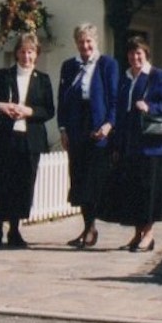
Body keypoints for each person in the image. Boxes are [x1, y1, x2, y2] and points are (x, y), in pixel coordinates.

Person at [106, 37, 162, 252]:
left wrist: (149, 107)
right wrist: (117, 145)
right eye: (131, 54)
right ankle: (137, 234)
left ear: (146, 54)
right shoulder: (126, 78)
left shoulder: (158, 76)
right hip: (130, 144)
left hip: (152, 146)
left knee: (149, 193)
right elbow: (120, 111)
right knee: (133, 191)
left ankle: (148, 235)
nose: (135, 57)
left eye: (139, 53)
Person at [0, 33, 55, 248]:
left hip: (29, 140)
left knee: (23, 185)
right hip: (5, 138)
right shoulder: (2, 76)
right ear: (16, 53)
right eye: (23, 51)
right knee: (2, 184)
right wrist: (1, 106)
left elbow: (49, 110)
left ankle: (15, 230)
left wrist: (29, 111)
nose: (26, 56)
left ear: (37, 55)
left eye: (30, 52)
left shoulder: (43, 80)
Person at [56, 23, 119, 249]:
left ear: (96, 41)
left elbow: (114, 99)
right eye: (81, 42)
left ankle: (90, 227)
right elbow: (61, 100)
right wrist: (63, 129)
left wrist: (109, 124)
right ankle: (87, 227)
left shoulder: (107, 64)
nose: (85, 46)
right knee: (79, 180)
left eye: (89, 41)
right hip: (76, 127)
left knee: (94, 181)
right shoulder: (69, 66)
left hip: (98, 128)